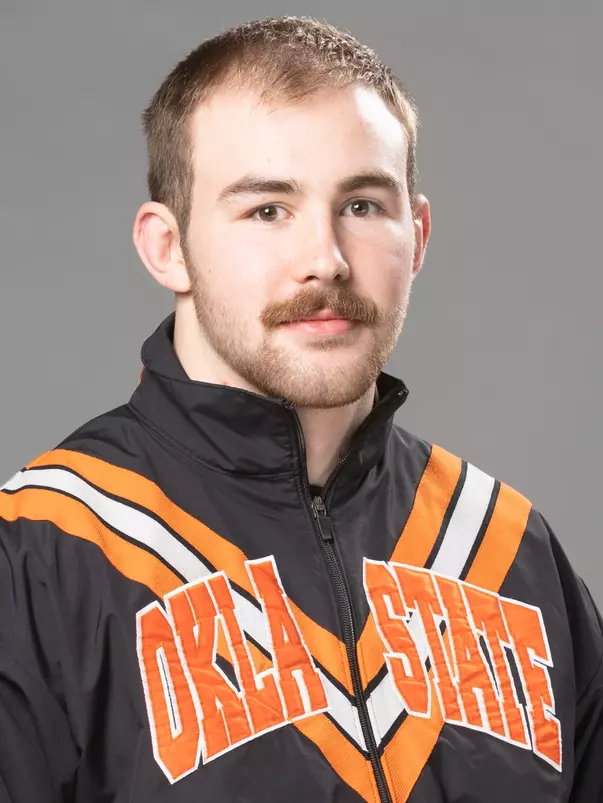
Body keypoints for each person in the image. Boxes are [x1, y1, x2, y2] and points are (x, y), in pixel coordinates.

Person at [0, 14, 601, 803]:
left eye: (360, 206)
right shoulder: (45, 554)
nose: (324, 259)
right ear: (167, 247)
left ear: (415, 236)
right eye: (266, 210)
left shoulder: (506, 548)